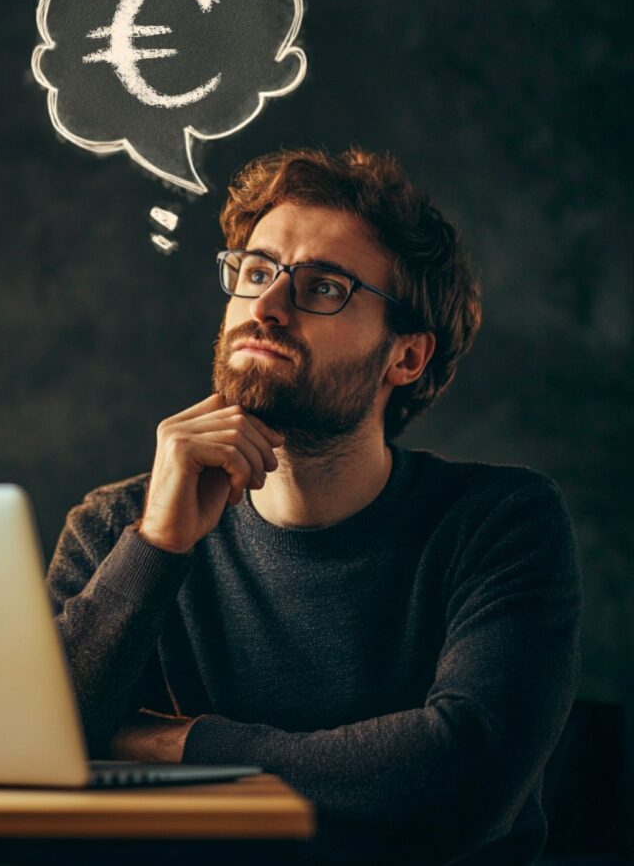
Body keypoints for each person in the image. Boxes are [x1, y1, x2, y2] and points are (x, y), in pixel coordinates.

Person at [46, 148, 581, 865]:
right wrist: (157, 545)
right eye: (256, 271)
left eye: (323, 287)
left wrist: (185, 742)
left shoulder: (499, 521)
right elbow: (32, 743)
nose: (266, 307)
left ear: (406, 357)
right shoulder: (119, 528)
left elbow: (465, 775)